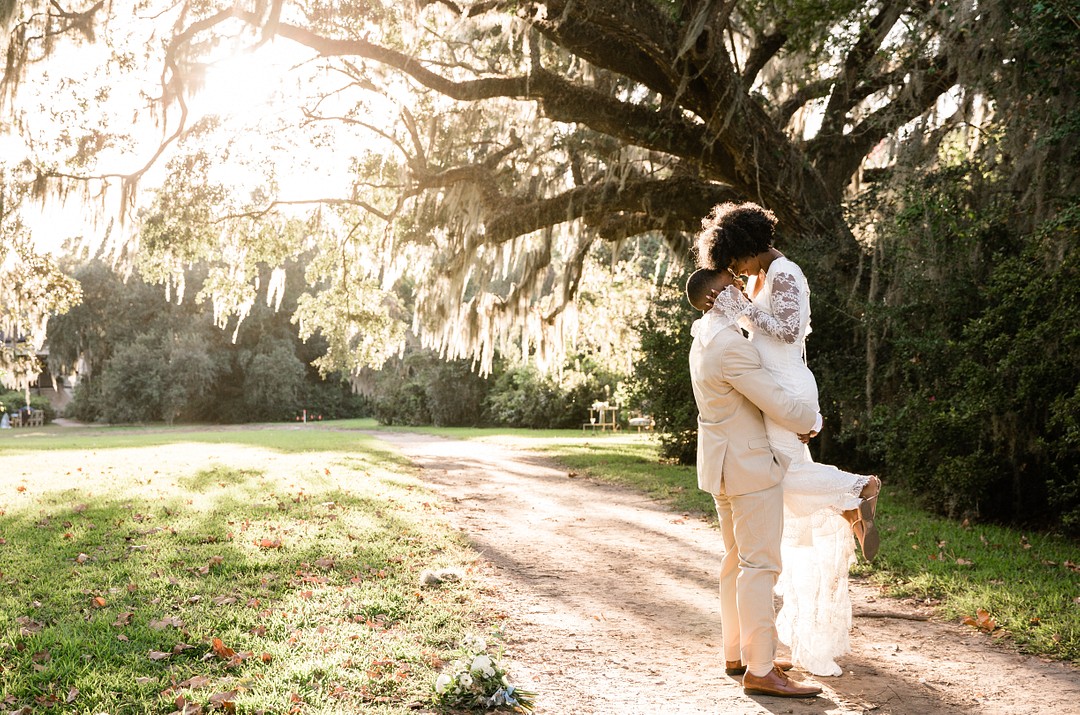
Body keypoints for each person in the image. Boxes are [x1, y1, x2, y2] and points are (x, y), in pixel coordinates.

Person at [695, 201, 881, 677]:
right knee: (780, 479)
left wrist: (738, 307)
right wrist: (739, 304)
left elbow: (789, 329)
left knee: (779, 477)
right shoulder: (756, 278)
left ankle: (856, 492)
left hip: (786, 388)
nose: (733, 272)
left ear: (749, 247)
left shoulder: (785, 272)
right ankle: (850, 498)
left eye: (734, 260)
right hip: (772, 390)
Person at [685, 267, 824, 698]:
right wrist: (811, 420)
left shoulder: (703, 337)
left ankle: (739, 653)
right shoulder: (730, 347)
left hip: (721, 466)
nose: (742, 289)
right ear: (713, 296)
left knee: (735, 562)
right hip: (747, 468)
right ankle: (762, 670)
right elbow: (774, 399)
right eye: (732, 284)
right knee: (760, 565)